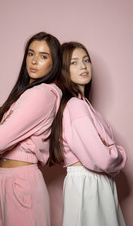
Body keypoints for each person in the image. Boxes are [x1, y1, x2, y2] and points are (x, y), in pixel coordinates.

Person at [0, 32, 62, 226]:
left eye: (43, 56)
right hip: (3, 177)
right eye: (30, 53)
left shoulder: (40, 95)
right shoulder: (25, 94)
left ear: (54, 63)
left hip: (20, 182)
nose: (34, 61)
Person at [49, 41, 126, 226]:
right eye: (74, 62)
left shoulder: (86, 107)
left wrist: (109, 150)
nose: (83, 66)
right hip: (88, 184)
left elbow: (104, 154)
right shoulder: (76, 107)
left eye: (86, 60)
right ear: (63, 70)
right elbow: (104, 158)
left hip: (96, 183)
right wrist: (119, 154)